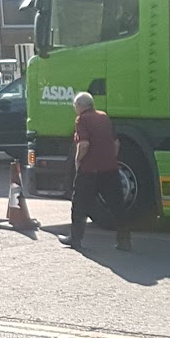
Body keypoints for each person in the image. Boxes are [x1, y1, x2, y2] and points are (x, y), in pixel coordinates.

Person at [62, 91, 130, 251]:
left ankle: (75, 239)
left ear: (80, 106)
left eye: (74, 106)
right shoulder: (104, 117)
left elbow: (84, 144)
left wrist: (78, 160)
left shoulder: (82, 119)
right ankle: (124, 240)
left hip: (89, 170)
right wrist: (108, 158)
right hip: (110, 169)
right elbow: (116, 144)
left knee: (79, 205)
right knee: (117, 205)